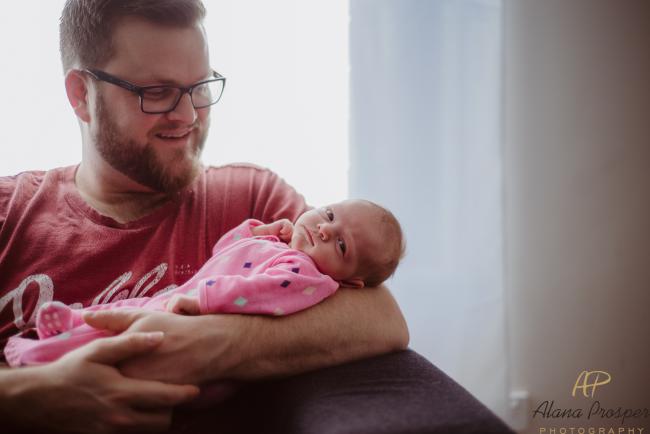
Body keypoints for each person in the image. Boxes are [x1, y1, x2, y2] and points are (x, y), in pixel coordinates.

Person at [0, 1, 408, 433]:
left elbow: (382, 318)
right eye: (156, 93)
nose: (189, 116)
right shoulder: (10, 213)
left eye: (199, 87)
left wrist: (209, 342)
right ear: (82, 95)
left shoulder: (251, 199)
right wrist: (28, 395)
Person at [5, 200, 405, 367]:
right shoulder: (283, 245)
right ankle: (69, 325)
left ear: (351, 281)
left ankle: (40, 356)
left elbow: (257, 294)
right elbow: (223, 251)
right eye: (330, 214)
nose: (322, 229)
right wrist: (258, 230)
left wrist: (203, 302)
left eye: (340, 244)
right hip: (182, 297)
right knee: (124, 310)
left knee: (121, 331)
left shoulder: (308, 278)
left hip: (192, 309)